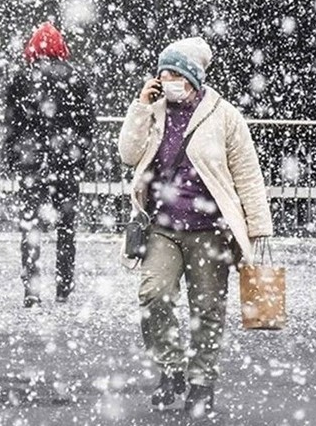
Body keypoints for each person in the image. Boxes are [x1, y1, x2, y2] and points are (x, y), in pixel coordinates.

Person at [117, 37, 273, 416]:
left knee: (207, 309)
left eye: (174, 73)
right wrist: (140, 106)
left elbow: (247, 175)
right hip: (163, 226)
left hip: (209, 229)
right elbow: (127, 153)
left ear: (192, 77)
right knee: (153, 295)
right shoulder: (154, 110)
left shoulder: (224, 115)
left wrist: (258, 227)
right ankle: (171, 369)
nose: (167, 80)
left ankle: (202, 382)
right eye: (162, 74)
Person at [4, 22, 94, 307]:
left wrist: (14, 156)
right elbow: (86, 125)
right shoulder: (76, 79)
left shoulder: (21, 79)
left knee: (30, 227)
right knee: (66, 228)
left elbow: (12, 124)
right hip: (66, 162)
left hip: (32, 164)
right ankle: (64, 286)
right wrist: (79, 156)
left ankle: (32, 289)